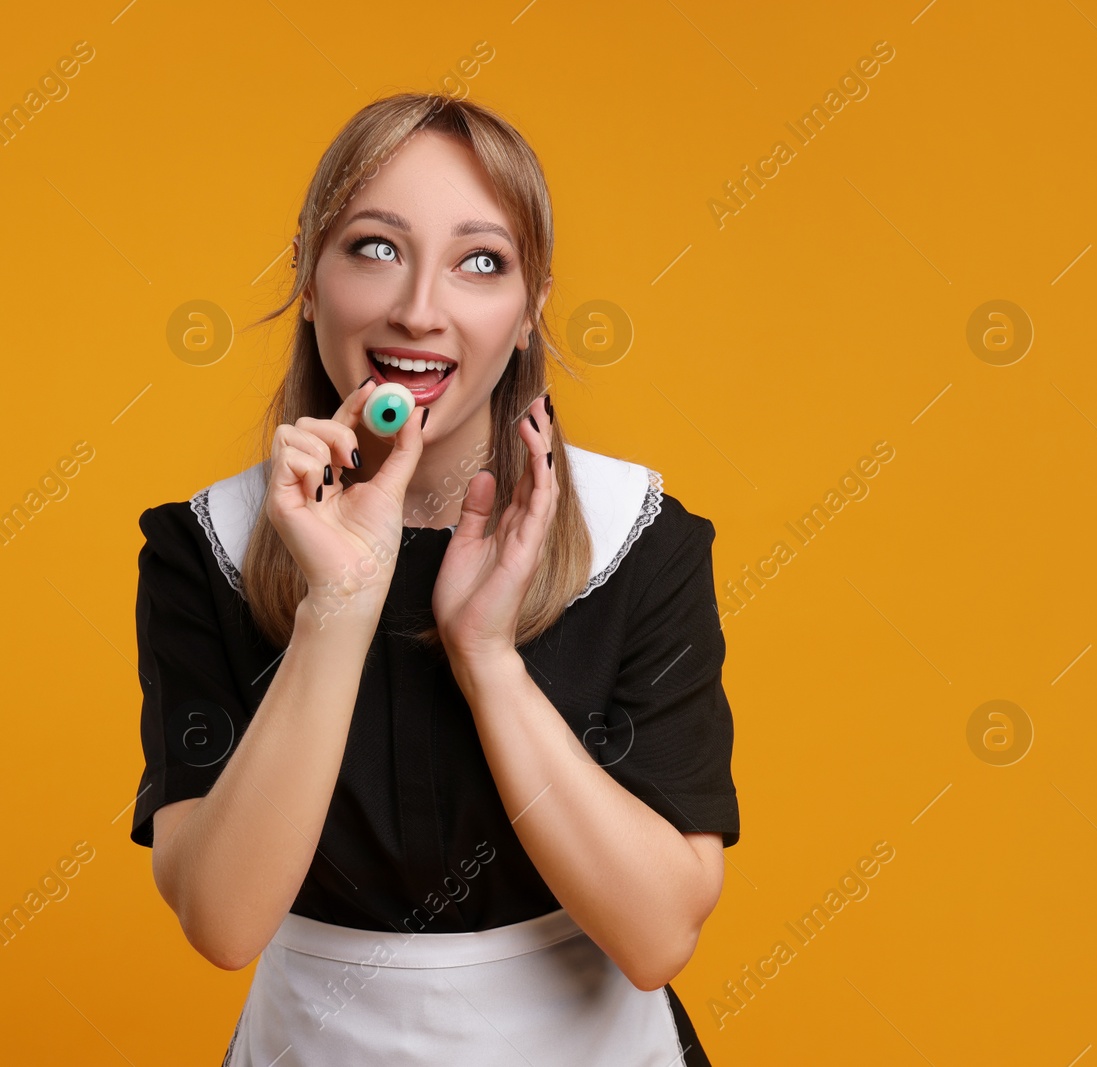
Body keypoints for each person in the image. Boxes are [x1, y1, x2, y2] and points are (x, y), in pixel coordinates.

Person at [127, 92, 739, 1066]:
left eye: (481, 260)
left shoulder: (643, 540)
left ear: (531, 304)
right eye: (375, 246)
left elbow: (657, 934)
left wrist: (486, 656)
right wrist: (342, 599)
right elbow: (223, 921)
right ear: (307, 274)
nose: (419, 307)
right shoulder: (203, 546)